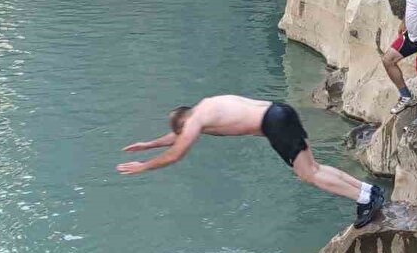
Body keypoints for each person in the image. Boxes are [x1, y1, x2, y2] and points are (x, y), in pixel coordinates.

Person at [118, 95, 385, 228]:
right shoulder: (204, 107)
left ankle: (365, 200)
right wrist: (150, 144)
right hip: (279, 111)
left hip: (273, 123)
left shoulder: (196, 121)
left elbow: (177, 153)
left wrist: (144, 166)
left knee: (309, 174)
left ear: (185, 123)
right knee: (314, 169)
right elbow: (176, 138)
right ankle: (368, 192)